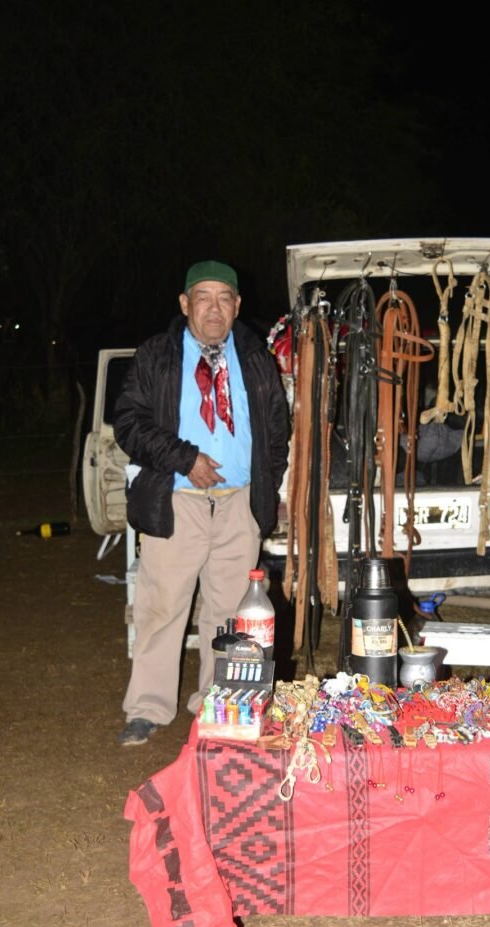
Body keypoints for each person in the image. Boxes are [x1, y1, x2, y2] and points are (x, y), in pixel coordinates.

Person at [113, 260, 289, 745]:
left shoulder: (255, 356)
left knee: (230, 613)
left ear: (237, 306)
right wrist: (184, 458)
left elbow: (277, 429)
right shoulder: (157, 356)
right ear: (185, 304)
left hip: (238, 505)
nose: (214, 308)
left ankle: (219, 704)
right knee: (162, 605)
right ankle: (147, 707)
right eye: (204, 297)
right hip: (178, 499)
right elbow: (128, 422)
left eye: (224, 298)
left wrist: (264, 489)